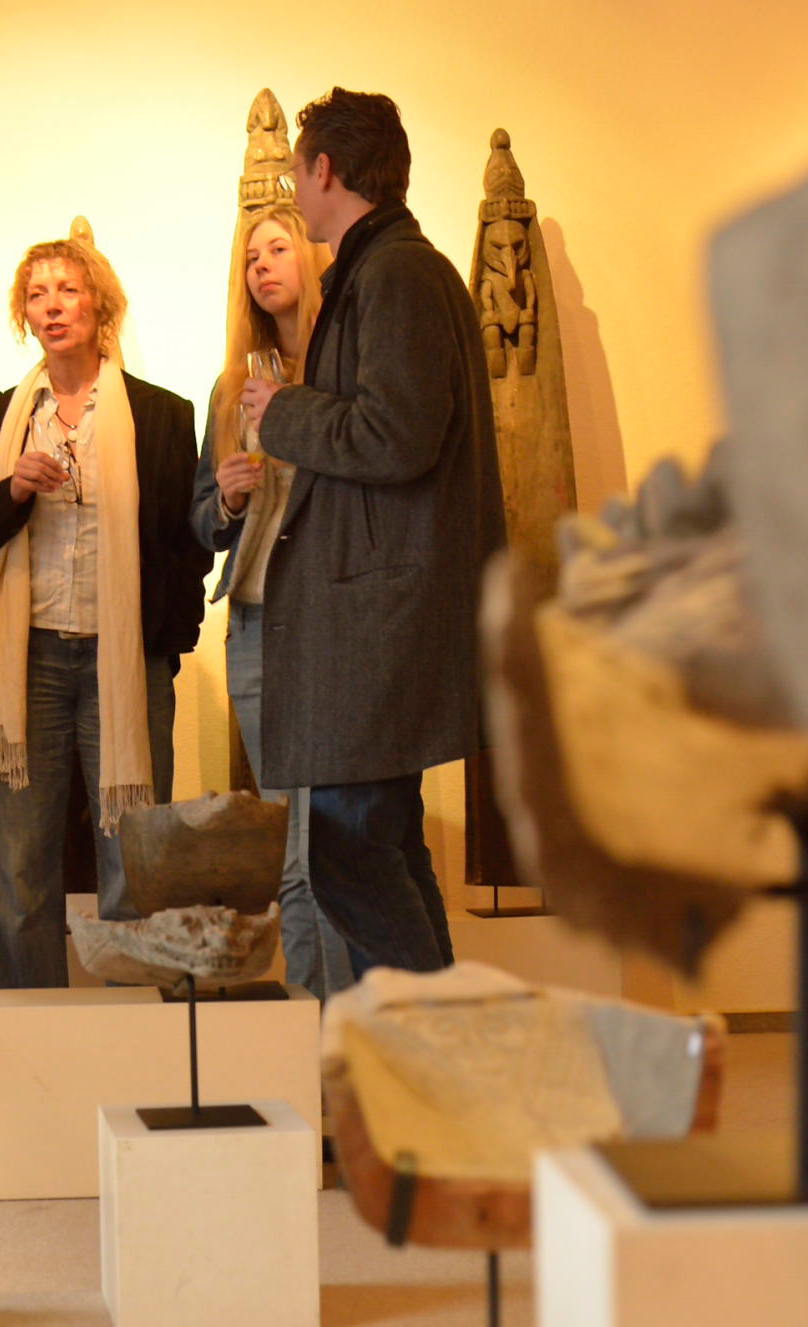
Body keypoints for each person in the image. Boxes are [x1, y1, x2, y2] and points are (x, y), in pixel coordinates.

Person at [241, 88, 506, 975]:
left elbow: (397, 434)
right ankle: (438, 1039)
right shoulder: (384, 270)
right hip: (381, 615)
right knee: (380, 846)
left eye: (298, 170)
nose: (294, 188)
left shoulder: (397, 275)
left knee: (349, 853)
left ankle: (432, 1044)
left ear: (327, 169)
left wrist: (284, 412)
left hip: (383, 622)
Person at [0, 231, 210, 988]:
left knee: (133, 854)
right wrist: (13, 490)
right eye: (37, 294)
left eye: (68, 289)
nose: (53, 306)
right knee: (19, 864)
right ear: (23, 315)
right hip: (26, 658)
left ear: (101, 304)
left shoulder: (161, 414)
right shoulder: (0, 416)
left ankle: (137, 1027)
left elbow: (185, 541)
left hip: (123, 660)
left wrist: (164, 645)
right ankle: (22, 1032)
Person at [188, 202, 355, 1001]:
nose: (262, 265)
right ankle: (313, 1027)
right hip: (255, 623)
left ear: (312, 259)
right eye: (251, 257)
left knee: (335, 847)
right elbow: (200, 522)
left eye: (278, 248)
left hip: (329, 624)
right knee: (289, 851)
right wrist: (223, 496)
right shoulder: (233, 386)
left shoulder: (342, 371)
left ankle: (352, 1025)